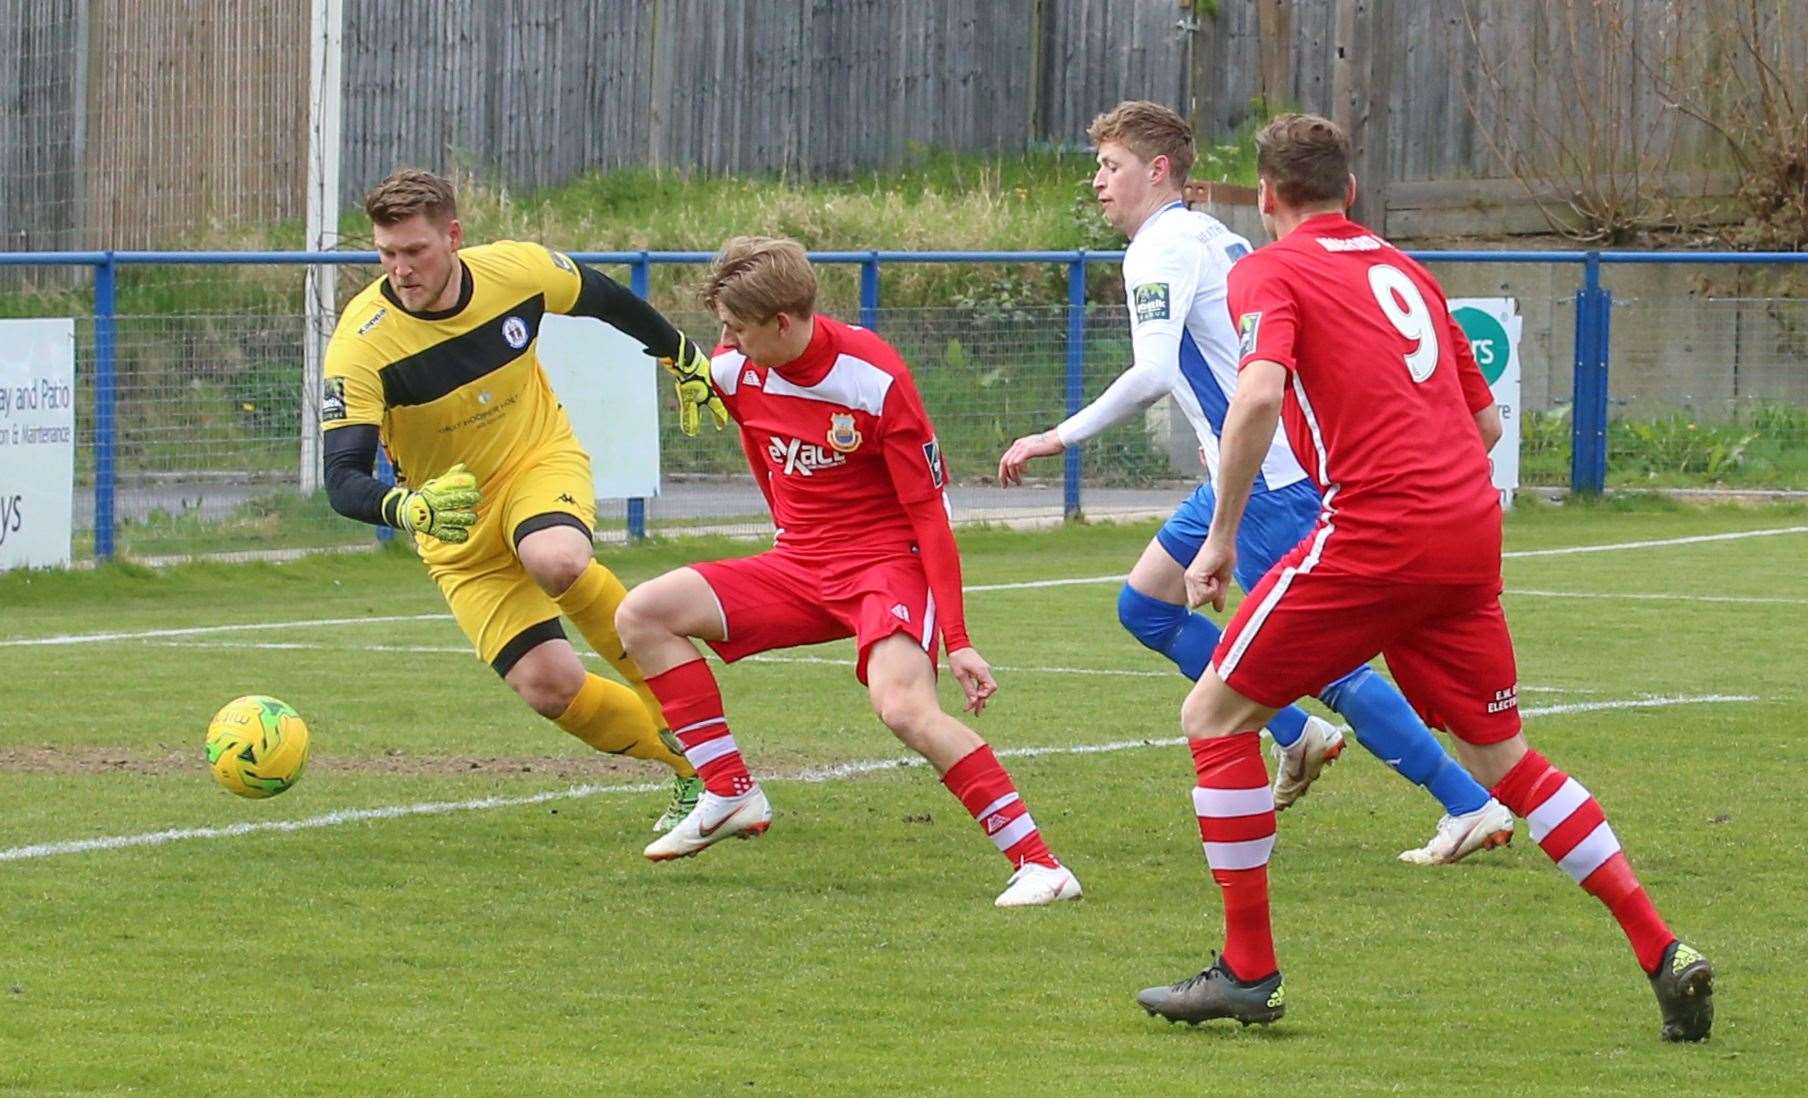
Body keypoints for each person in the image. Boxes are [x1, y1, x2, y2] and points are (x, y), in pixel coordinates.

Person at [1133, 114, 1713, 1042]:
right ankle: (1662, 947)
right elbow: (1482, 430)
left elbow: (1257, 394)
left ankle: (1247, 970)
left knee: (1209, 717)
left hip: (1377, 532)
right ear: (1352, 191)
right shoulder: (1406, 270)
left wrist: (1223, 537)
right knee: (1506, 764)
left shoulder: (1270, 268)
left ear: (1269, 195)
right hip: (1467, 532)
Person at [998, 101, 1512, 865]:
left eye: (1111, 166)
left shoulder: (1160, 245)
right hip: (1245, 470)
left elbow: (1153, 369)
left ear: (1158, 169)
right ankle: (1297, 732)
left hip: (1269, 476)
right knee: (1145, 606)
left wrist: (1055, 437)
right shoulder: (1211, 233)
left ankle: (1466, 801)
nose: (1098, 182)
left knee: (1324, 661)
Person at [615, 236, 1082, 907]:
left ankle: (1041, 865)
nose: (727, 342)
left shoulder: (875, 378)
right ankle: (729, 791)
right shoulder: (736, 366)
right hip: (799, 564)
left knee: (903, 708)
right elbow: (755, 439)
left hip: (884, 568)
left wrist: (960, 638)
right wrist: (783, 525)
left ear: (783, 322)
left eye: (737, 329)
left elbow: (928, 516)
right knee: (643, 613)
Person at [321, 168, 705, 830]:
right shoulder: (363, 343)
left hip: (535, 462)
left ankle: (692, 719)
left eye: (415, 251)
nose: (401, 269)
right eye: (386, 254)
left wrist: (681, 355)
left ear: (454, 236)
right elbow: (342, 477)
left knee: (555, 558)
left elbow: (606, 297)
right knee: (548, 689)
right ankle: (694, 772)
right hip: (452, 527)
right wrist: (404, 509)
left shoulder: (516, 272)